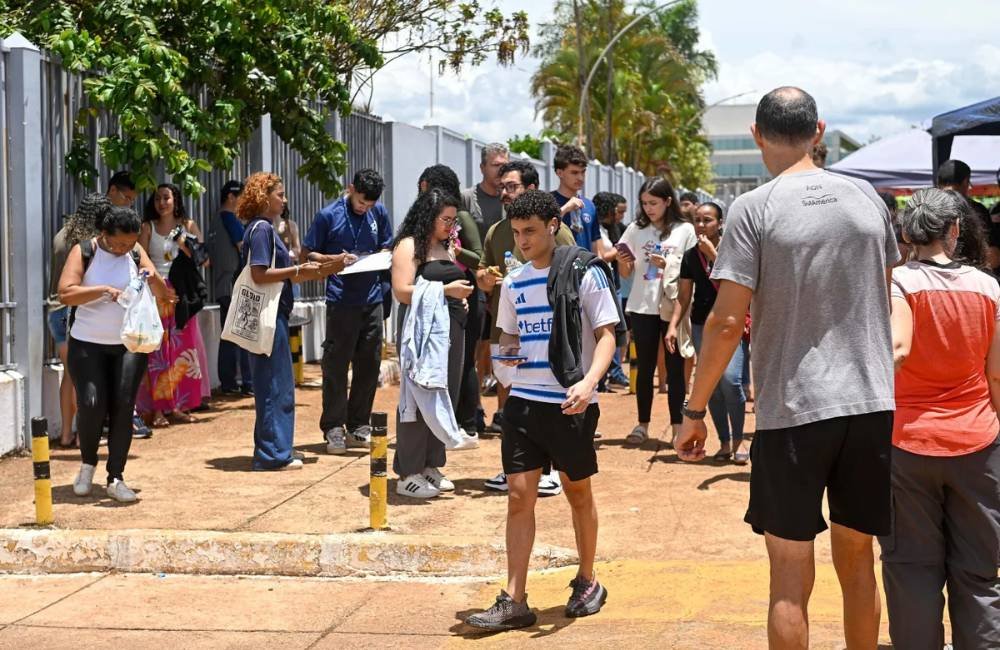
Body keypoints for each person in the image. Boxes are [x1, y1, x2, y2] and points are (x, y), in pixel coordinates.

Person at [676, 87, 899, 650]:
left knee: (789, 576)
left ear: (756, 135)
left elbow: (726, 323)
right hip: (870, 404)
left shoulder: (755, 209)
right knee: (859, 564)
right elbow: (886, 295)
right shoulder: (868, 199)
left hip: (794, 412)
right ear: (818, 130)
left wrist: (694, 409)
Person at [465, 190, 619, 630]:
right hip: (524, 404)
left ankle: (588, 579)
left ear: (553, 225)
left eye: (529, 231)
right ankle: (515, 598)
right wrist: (506, 360)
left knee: (577, 493)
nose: (522, 241)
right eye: (515, 233)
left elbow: (607, 335)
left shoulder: (584, 273)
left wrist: (589, 384)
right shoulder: (513, 283)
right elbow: (507, 339)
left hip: (570, 405)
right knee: (518, 495)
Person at [882, 188, 1000, 649]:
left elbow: (898, 349)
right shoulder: (989, 287)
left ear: (910, 232)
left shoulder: (899, 284)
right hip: (978, 441)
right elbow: (995, 375)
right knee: (979, 573)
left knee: (911, 568)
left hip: (908, 444)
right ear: (954, 231)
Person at [58, 206, 173, 502]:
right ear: (104, 234)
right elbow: (66, 293)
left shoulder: (134, 252)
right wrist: (102, 290)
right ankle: (87, 464)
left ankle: (116, 477)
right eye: (119, 243)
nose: (124, 249)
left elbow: (164, 294)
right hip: (87, 343)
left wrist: (152, 279)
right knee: (92, 402)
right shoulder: (85, 251)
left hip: (129, 344)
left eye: (129, 243)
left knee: (124, 403)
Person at [476, 159, 576, 495]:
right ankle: (515, 467)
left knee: (550, 398)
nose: (505, 192)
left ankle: (547, 469)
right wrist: (486, 279)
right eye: (502, 186)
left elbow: (572, 275)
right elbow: (482, 275)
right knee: (509, 396)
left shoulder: (557, 231)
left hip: (550, 332)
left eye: (512, 186)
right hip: (505, 328)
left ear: (530, 189)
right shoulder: (495, 230)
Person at [236, 173, 340, 471]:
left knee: (277, 384)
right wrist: (296, 270)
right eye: (279, 194)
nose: (284, 199)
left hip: (274, 316)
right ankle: (272, 454)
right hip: (270, 318)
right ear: (263, 197)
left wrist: (319, 268)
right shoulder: (261, 230)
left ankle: (276, 449)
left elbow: (279, 272)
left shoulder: (263, 228)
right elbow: (258, 274)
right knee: (274, 386)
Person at [390, 189, 477, 498]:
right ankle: (408, 471)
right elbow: (402, 291)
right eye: (445, 219)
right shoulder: (409, 246)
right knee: (418, 392)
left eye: (453, 221)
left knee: (444, 393)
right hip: (421, 331)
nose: (450, 226)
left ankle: (431, 463)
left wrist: (457, 300)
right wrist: (446, 293)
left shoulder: (445, 246)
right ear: (428, 216)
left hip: (451, 329)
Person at [303, 169, 393, 454]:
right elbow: (309, 252)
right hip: (341, 299)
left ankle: (358, 425)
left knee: (369, 366)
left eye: (370, 204)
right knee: (336, 366)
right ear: (350, 188)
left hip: (372, 298)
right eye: (361, 201)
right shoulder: (328, 215)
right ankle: (333, 427)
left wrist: (381, 256)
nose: (364, 207)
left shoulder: (378, 213)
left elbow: (388, 244)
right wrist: (335, 259)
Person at [666, 202, 748, 463]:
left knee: (731, 380)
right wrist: (673, 326)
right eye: (698, 220)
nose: (702, 225)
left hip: (733, 322)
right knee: (710, 384)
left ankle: (739, 439)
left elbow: (741, 284)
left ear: (720, 222)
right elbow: (683, 296)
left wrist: (714, 255)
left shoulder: (733, 250)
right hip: (703, 325)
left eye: (708, 220)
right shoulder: (690, 256)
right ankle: (724, 442)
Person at [617, 177, 696, 446]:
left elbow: (691, 270)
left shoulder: (684, 230)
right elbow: (626, 272)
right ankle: (642, 425)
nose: (648, 208)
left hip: (672, 306)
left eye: (654, 203)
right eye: (644, 203)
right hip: (641, 305)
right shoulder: (635, 230)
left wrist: (668, 264)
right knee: (644, 366)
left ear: (667, 201)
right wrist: (623, 261)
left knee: (675, 370)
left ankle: (677, 427)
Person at [136, 183, 212, 428]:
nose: (161, 203)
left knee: (182, 350)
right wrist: (158, 288)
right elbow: (141, 259)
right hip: (157, 292)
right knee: (157, 353)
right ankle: (158, 409)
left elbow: (205, 260)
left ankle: (180, 405)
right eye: (157, 198)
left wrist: (184, 243)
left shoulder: (188, 226)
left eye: (166, 198)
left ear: (176, 200)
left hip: (182, 294)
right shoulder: (147, 227)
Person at [417, 164, 484, 439]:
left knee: (464, 361)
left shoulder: (462, 218)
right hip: (436, 297)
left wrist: (457, 251)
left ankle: (466, 422)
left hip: (466, 295)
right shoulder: (423, 222)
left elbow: (480, 257)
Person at [462, 143, 510, 412]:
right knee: (476, 346)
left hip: (505, 285)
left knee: (502, 346)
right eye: (495, 165)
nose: (501, 170)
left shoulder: (510, 200)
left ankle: (503, 411)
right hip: (475, 282)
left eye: (504, 164)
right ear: (482, 167)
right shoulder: (468, 198)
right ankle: (475, 406)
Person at [207, 179, 254, 397]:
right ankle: (248, 382)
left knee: (228, 335)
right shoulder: (229, 218)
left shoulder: (214, 221)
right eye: (242, 197)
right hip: (234, 284)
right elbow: (244, 247)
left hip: (221, 285)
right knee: (242, 332)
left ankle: (228, 382)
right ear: (231, 197)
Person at [594, 191, 629, 388]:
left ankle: (614, 371)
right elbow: (600, 256)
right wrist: (619, 249)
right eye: (618, 211)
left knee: (616, 330)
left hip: (613, 283)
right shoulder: (596, 229)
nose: (620, 216)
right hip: (601, 284)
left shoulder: (615, 228)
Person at [550, 145, 606, 258]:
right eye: (574, 173)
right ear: (559, 173)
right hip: (558, 272)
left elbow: (595, 244)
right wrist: (565, 209)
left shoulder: (590, 206)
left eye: (583, 172)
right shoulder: (548, 201)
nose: (580, 178)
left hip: (585, 272)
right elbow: (543, 231)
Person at [277, 203, 303, 298]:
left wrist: (291, 253)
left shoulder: (291, 225)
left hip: (288, 271)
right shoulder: (266, 224)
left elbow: (297, 248)